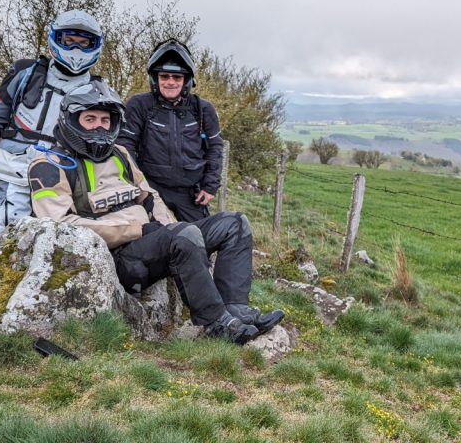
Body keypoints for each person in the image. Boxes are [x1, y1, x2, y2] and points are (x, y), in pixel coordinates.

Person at [27, 80, 283, 344]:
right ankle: (216, 323)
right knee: (182, 234)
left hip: (152, 242)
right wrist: (139, 231)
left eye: (105, 120)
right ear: (72, 120)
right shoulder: (48, 165)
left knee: (234, 223)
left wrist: (166, 226)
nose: (99, 126)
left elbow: (149, 196)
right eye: (90, 119)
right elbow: (59, 227)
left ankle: (235, 307)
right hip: (116, 259)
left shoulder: (120, 154)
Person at [0, 9, 105, 240]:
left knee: (55, 239)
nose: (75, 49)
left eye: (83, 43)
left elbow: (107, 140)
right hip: (15, 167)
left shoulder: (99, 90)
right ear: (56, 39)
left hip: (64, 173)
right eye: (69, 41)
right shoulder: (25, 72)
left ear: (95, 46)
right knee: (4, 232)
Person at [117, 39, 223, 222]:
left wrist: (210, 185)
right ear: (155, 79)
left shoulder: (203, 109)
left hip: (191, 194)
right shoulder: (139, 105)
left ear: (187, 80)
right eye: (164, 76)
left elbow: (215, 147)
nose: (170, 82)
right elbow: (126, 146)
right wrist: (134, 186)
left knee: (199, 243)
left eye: (177, 77)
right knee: (154, 242)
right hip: (151, 188)